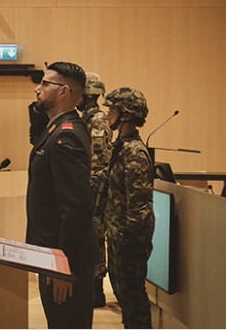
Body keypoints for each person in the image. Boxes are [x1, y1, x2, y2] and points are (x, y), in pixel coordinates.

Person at [26, 61, 97, 328]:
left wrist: (62, 266)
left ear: (64, 91)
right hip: (55, 255)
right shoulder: (55, 128)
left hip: (64, 259)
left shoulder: (65, 137)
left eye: (45, 83)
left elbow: (77, 209)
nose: (37, 89)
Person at [103, 87, 154, 329]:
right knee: (126, 296)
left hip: (129, 239)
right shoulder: (121, 145)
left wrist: (128, 243)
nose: (108, 114)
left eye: (112, 109)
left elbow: (139, 204)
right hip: (118, 235)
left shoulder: (134, 152)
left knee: (133, 297)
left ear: (125, 114)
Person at [77, 72, 113, 307]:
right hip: (89, 189)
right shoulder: (88, 117)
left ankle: (95, 290)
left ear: (88, 95)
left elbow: (99, 162)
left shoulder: (97, 120)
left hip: (94, 191)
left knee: (95, 237)